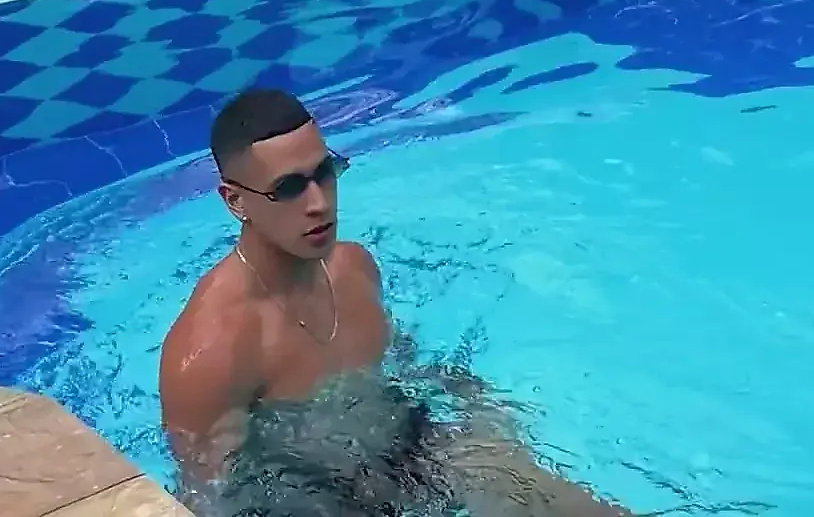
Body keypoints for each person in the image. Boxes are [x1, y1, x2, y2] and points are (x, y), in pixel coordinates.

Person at [159, 87, 635, 517]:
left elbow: (402, 366)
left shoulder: (354, 270)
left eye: (324, 172)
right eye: (288, 188)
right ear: (234, 201)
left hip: (408, 448)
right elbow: (208, 500)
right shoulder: (210, 353)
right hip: (312, 499)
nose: (318, 203)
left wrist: (474, 401)